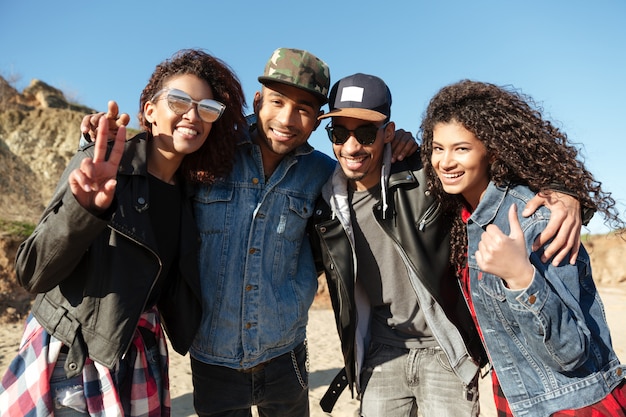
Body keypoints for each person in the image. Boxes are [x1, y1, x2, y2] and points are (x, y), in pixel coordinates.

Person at [78, 48, 418, 417]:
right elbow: (161, 151)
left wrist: (397, 143)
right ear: (257, 101)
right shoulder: (209, 151)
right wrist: (97, 139)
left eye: (304, 109)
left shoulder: (322, 174)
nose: (287, 119)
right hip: (212, 359)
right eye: (277, 101)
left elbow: (356, 197)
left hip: (285, 354)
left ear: (319, 122)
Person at [308, 73, 587, 417]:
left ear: (389, 132)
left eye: (365, 134)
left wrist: (564, 190)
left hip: (446, 349)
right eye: (339, 133)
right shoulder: (325, 206)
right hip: (381, 352)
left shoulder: (425, 175)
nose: (351, 147)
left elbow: (494, 170)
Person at [0, 49, 247, 417]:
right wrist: (84, 210)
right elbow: (32, 270)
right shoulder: (102, 165)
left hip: (140, 362)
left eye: (207, 108)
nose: (193, 115)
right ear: (150, 111)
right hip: (75, 359)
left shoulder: (190, 195)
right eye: (179, 101)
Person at [420, 79, 626, 416]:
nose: (444, 161)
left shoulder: (536, 219)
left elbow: (572, 351)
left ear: (493, 150)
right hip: (519, 401)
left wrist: (521, 278)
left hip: (574, 404)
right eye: (438, 148)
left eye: (461, 148)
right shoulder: (463, 221)